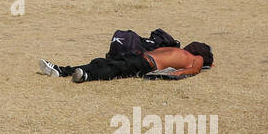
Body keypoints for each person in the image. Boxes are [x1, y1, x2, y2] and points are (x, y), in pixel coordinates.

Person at [39, 41, 213, 83]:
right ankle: (84, 75)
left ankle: (64, 70)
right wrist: (170, 75)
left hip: (140, 55)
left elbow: (192, 70)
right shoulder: (195, 58)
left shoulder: (176, 50)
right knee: (116, 69)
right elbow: (193, 70)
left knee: (103, 63)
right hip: (148, 63)